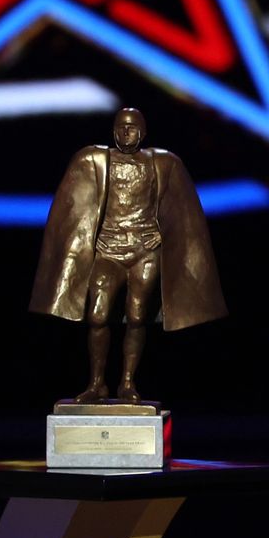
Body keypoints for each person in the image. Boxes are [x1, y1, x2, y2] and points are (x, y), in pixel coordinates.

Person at [29, 107, 226, 404]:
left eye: (132, 127)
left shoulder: (163, 163)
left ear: (143, 132)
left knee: (136, 317)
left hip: (144, 252)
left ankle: (128, 382)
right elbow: (72, 206)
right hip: (108, 251)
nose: (126, 132)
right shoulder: (96, 160)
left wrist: (164, 234)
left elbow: (183, 212)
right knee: (97, 316)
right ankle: (97, 383)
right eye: (121, 127)